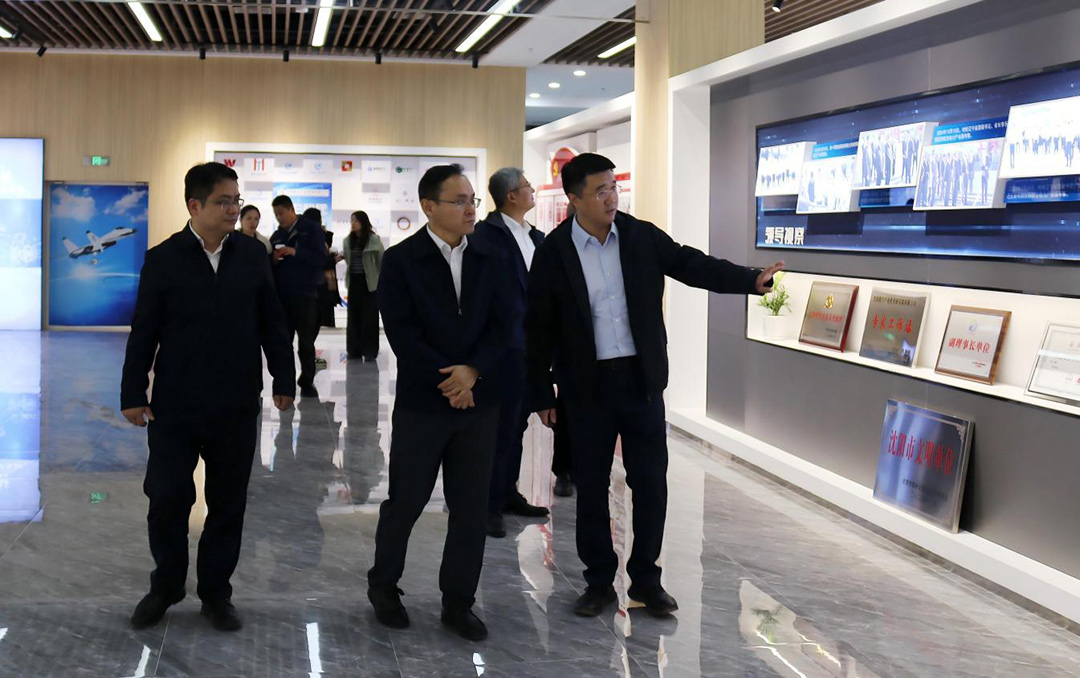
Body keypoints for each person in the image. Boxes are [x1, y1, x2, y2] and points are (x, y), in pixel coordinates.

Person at [525, 153, 783, 619]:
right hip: (585, 386)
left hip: (640, 382)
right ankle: (598, 581)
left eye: (614, 187)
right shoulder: (553, 251)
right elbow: (537, 326)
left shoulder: (640, 236)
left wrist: (750, 279)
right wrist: (542, 392)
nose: (611, 198)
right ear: (574, 198)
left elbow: (691, 264)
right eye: (600, 191)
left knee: (650, 483)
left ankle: (646, 579)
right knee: (591, 486)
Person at [120, 162, 295, 632]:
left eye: (236, 201)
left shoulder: (252, 255)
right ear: (194, 206)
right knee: (167, 496)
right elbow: (144, 330)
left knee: (228, 501)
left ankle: (216, 593)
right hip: (175, 404)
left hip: (235, 403)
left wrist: (284, 377)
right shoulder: (164, 258)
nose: (233, 210)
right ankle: (166, 586)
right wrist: (132, 392)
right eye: (223, 202)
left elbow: (272, 321)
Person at [367, 164, 513, 642]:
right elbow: (402, 333)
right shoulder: (402, 260)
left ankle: (459, 602)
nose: (471, 209)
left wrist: (474, 371)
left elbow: (507, 323)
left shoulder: (492, 255)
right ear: (429, 206)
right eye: (460, 201)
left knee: (470, 508)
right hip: (422, 403)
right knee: (405, 502)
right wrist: (451, 379)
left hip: (479, 403)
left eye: (473, 199)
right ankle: (384, 587)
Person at [474, 168, 550, 538]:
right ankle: (487, 504)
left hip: (531, 346)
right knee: (497, 429)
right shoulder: (485, 236)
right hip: (502, 347)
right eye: (526, 186)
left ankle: (507, 493)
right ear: (511, 196)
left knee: (518, 425)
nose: (532, 190)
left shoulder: (534, 235)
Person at [270, 196, 327, 397]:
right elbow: (271, 267)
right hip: (283, 296)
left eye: (281, 213)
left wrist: (295, 252)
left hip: (306, 294)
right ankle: (286, 380)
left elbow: (320, 258)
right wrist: (274, 259)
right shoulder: (277, 235)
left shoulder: (311, 229)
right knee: (284, 340)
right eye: (276, 215)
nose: (279, 218)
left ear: (291, 209)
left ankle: (307, 379)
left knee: (306, 341)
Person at [342, 210, 384, 361]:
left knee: (369, 318)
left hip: (370, 283)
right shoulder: (348, 241)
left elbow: (381, 261)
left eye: (356, 221)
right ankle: (354, 350)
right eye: (351, 221)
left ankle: (370, 350)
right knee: (353, 317)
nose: (353, 224)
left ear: (363, 222)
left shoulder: (374, 240)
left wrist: (381, 282)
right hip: (354, 281)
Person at [304, 207, 340, 331]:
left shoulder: (321, 236)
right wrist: (333, 259)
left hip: (322, 285)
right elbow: (318, 260)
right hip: (318, 285)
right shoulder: (310, 238)